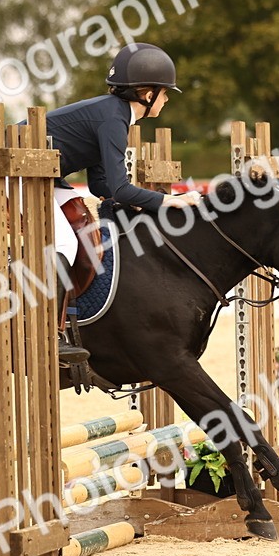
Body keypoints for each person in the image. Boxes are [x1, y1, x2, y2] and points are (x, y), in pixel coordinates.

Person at [45, 43, 202, 364]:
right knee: (65, 241)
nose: (168, 98)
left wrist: (140, 204)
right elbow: (119, 187)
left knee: (83, 226)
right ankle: (51, 332)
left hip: (47, 178)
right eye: (165, 92)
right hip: (21, 173)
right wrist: (168, 202)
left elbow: (101, 185)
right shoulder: (113, 118)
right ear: (146, 92)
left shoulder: (115, 116)